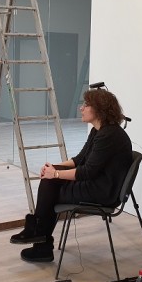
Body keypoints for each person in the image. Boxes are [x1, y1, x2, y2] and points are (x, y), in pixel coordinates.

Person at [10, 88, 132, 263]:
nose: (81, 108)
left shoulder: (109, 135)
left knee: (50, 189)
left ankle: (40, 241)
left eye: (86, 105)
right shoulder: (98, 131)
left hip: (102, 191)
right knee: (50, 182)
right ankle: (39, 239)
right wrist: (54, 168)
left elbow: (87, 171)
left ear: (100, 109)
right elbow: (79, 160)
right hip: (96, 183)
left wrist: (56, 173)